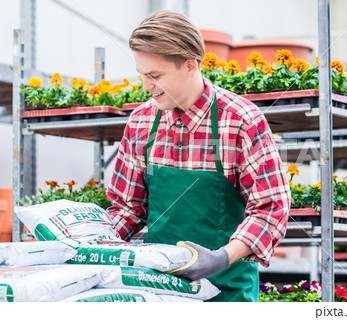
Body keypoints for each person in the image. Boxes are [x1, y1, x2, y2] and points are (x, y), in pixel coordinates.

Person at [107, 9, 291, 302]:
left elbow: (271, 208)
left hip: (226, 292)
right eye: (142, 75)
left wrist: (220, 257)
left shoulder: (241, 121)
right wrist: (91, 244)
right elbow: (128, 208)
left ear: (190, 65)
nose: (146, 87)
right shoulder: (140, 122)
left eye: (155, 76)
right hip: (158, 291)